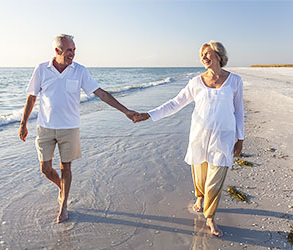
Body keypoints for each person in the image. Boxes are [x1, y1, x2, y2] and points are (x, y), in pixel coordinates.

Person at [18, 34, 138, 223]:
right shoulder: (41, 69)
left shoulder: (80, 71)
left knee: (66, 167)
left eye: (74, 50)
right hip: (45, 127)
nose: (73, 54)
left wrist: (125, 111)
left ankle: (63, 205)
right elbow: (32, 97)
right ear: (57, 51)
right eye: (69, 50)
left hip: (70, 128)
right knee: (46, 169)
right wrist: (23, 123)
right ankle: (62, 187)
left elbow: (101, 94)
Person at [133, 41, 244, 237]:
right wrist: (149, 114)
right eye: (202, 55)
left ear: (219, 56)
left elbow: (239, 111)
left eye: (208, 54)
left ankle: (210, 217)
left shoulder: (235, 81)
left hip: (224, 137)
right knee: (200, 176)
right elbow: (175, 103)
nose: (204, 58)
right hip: (199, 137)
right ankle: (199, 197)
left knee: (215, 179)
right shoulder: (195, 82)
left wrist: (240, 138)